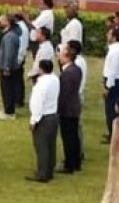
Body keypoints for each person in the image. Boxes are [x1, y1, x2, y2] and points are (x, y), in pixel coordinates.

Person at [27, 59, 61, 183]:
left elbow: (37, 103)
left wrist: (33, 120)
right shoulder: (55, 79)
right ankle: (49, 170)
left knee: (41, 146)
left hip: (43, 118)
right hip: (53, 115)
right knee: (51, 145)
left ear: (41, 69)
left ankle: (42, 173)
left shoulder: (41, 85)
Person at [57, 41, 84, 174]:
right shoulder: (76, 69)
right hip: (74, 106)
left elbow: (64, 94)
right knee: (73, 136)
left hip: (68, 109)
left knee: (68, 137)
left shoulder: (68, 73)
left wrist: (58, 108)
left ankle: (70, 164)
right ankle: (76, 161)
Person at [0, 14, 24, 119]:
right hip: (10, 66)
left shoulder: (9, 36)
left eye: (1, 20)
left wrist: (6, 67)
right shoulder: (10, 34)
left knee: (7, 89)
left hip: (8, 67)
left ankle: (9, 112)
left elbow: (9, 53)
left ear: (8, 22)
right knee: (8, 88)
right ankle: (8, 109)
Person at [101, 27, 119, 142]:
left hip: (114, 82)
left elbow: (112, 70)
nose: (107, 36)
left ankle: (113, 135)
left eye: (109, 34)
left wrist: (107, 86)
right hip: (117, 81)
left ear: (114, 37)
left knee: (111, 109)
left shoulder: (115, 51)